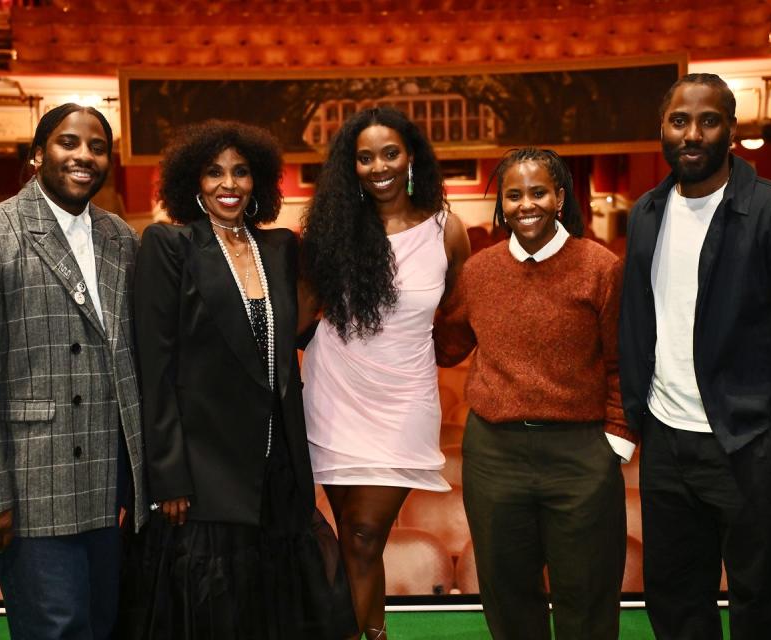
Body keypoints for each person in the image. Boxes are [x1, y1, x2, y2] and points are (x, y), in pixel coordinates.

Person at [618, 73, 771, 639]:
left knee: (762, 604)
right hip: (667, 443)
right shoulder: (647, 212)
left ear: (731, 131)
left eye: (708, 120)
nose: (692, 134)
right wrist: (638, 414)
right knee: (674, 601)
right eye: (679, 121)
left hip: (747, 445)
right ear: (661, 131)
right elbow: (640, 319)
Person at [122, 120, 354, 639]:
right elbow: (155, 371)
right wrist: (169, 476)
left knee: (273, 615)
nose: (229, 184)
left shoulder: (279, 247)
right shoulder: (168, 245)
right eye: (214, 172)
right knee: (213, 616)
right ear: (192, 182)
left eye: (241, 172)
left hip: (277, 467)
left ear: (260, 181)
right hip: (205, 472)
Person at [0, 103, 146, 638]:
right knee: (56, 629)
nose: (84, 156)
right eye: (68, 143)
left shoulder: (121, 238)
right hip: (32, 486)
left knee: (104, 626)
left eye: (97, 147)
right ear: (36, 154)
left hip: (108, 481)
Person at [435, 148, 636, 639]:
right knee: (507, 595)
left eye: (539, 192)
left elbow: (623, 362)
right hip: (495, 455)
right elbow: (446, 347)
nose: (527, 204)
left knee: (587, 595)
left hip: (580, 454)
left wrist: (615, 439)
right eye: (514, 194)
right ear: (502, 204)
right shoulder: (480, 272)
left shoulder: (599, 267)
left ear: (560, 197)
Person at [299, 106, 470, 639]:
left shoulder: (447, 230)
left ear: (411, 156)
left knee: (365, 531)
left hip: (403, 399)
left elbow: (460, 319)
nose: (379, 167)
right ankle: (370, 634)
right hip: (334, 390)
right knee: (354, 535)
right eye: (364, 157)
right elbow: (302, 313)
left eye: (389, 153)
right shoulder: (330, 230)